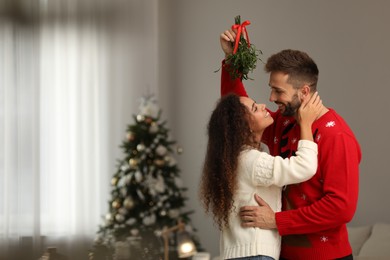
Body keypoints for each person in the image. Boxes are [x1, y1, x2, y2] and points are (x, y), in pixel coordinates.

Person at [219, 29, 362, 260]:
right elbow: (240, 115)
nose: (272, 98)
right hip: (281, 254)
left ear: (304, 92)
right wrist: (232, 61)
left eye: (278, 91)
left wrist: (277, 221)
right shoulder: (284, 122)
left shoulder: (337, 137)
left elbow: (341, 207)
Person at [199, 92, 322, 260]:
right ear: (243, 125)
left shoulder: (234, 159)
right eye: (255, 108)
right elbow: (305, 167)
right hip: (255, 255)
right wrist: (306, 124)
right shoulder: (251, 160)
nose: (264, 106)